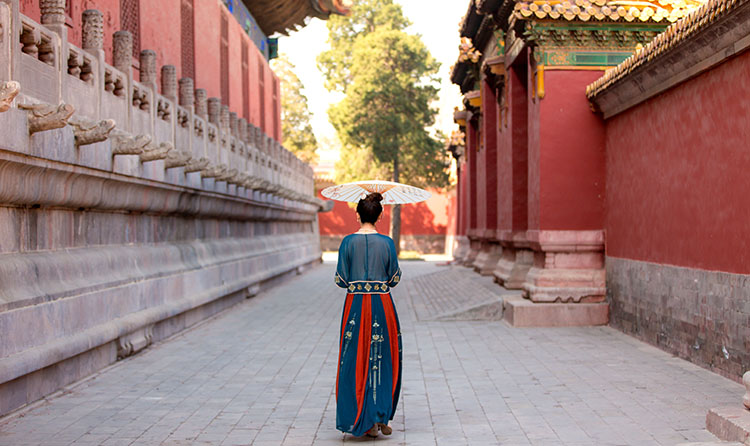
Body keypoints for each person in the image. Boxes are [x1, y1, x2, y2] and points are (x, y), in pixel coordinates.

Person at [334, 192, 402, 438]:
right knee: (382, 357)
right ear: (381, 215)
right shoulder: (387, 243)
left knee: (353, 358)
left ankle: (358, 419)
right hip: (382, 306)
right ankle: (379, 415)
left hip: (354, 305)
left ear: (357, 215)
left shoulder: (347, 243)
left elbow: (341, 280)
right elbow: (394, 278)